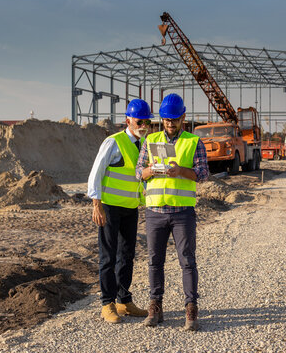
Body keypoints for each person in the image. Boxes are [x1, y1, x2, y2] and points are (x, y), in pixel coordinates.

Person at [135, 93, 209, 331]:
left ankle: (191, 308)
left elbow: (203, 173)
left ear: (183, 117)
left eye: (174, 119)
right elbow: (139, 173)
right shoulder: (151, 140)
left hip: (182, 213)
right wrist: (151, 170)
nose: (169, 123)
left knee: (187, 261)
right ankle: (155, 306)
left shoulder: (193, 141)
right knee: (155, 262)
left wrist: (181, 171)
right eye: (166, 119)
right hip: (155, 211)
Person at [87, 99, 152, 324]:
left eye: (147, 121)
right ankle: (107, 304)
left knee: (127, 256)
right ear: (128, 121)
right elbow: (96, 172)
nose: (143, 125)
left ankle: (124, 300)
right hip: (110, 208)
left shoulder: (145, 144)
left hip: (130, 208)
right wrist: (97, 205)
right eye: (139, 121)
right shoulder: (113, 142)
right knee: (108, 257)